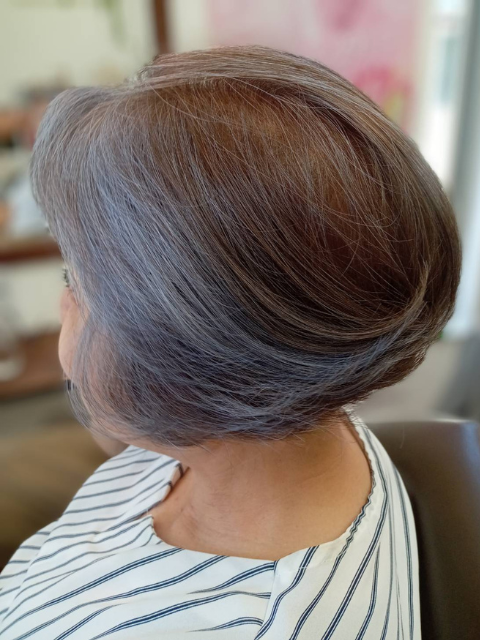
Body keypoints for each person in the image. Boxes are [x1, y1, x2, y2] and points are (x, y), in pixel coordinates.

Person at [0, 47, 460, 639]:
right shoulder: (311, 414)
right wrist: (112, 401)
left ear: (179, 360)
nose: (63, 305)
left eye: (75, 282)